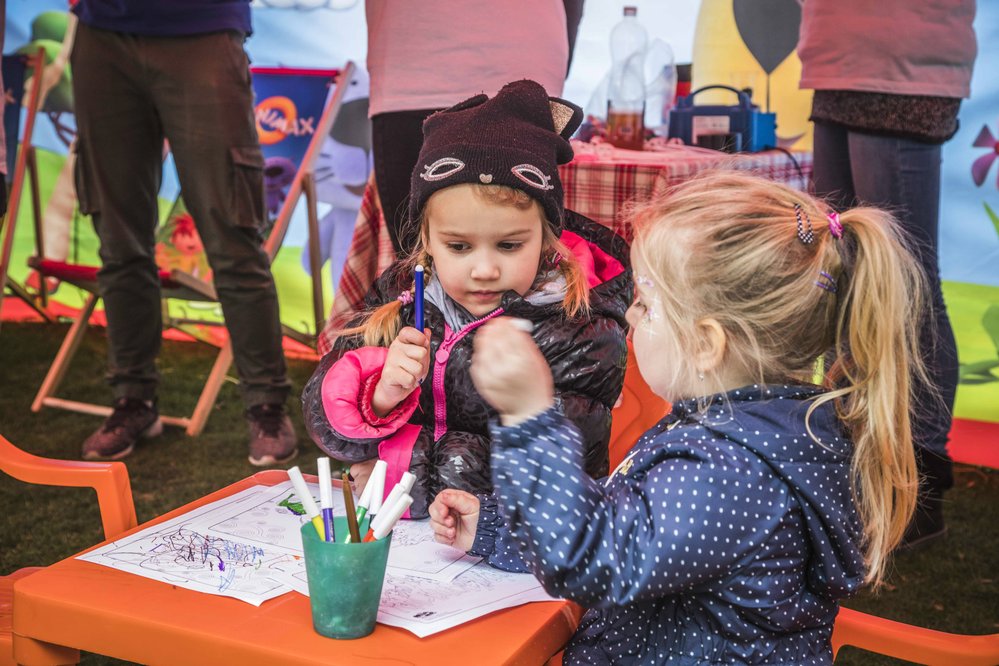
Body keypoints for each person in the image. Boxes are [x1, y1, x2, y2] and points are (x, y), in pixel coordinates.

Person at [431, 171, 931, 663]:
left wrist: (528, 417)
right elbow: (634, 529)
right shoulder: (750, 431)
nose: (629, 316)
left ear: (706, 344)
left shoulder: (731, 471)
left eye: (646, 306)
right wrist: (495, 530)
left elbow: (597, 562)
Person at [301, 80, 632, 519]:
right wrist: (381, 394)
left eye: (510, 246)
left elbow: (564, 475)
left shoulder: (580, 329)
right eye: (459, 247)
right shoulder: (396, 300)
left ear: (547, 239)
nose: (484, 269)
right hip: (402, 532)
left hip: (512, 546)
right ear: (427, 241)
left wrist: (407, 475)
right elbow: (327, 424)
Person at [70, 0, 297, 466]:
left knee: (233, 233)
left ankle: (266, 405)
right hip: (102, 32)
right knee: (118, 239)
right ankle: (134, 400)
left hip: (202, 27)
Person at [797, 0, 978, 548]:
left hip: (903, 65)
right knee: (840, 271)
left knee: (904, 281)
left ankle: (917, 482)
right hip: (836, 59)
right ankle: (848, 460)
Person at [365, 0, 572, 256]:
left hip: (423, 64)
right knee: (419, 266)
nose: (483, 272)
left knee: (526, 254)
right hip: (415, 68)